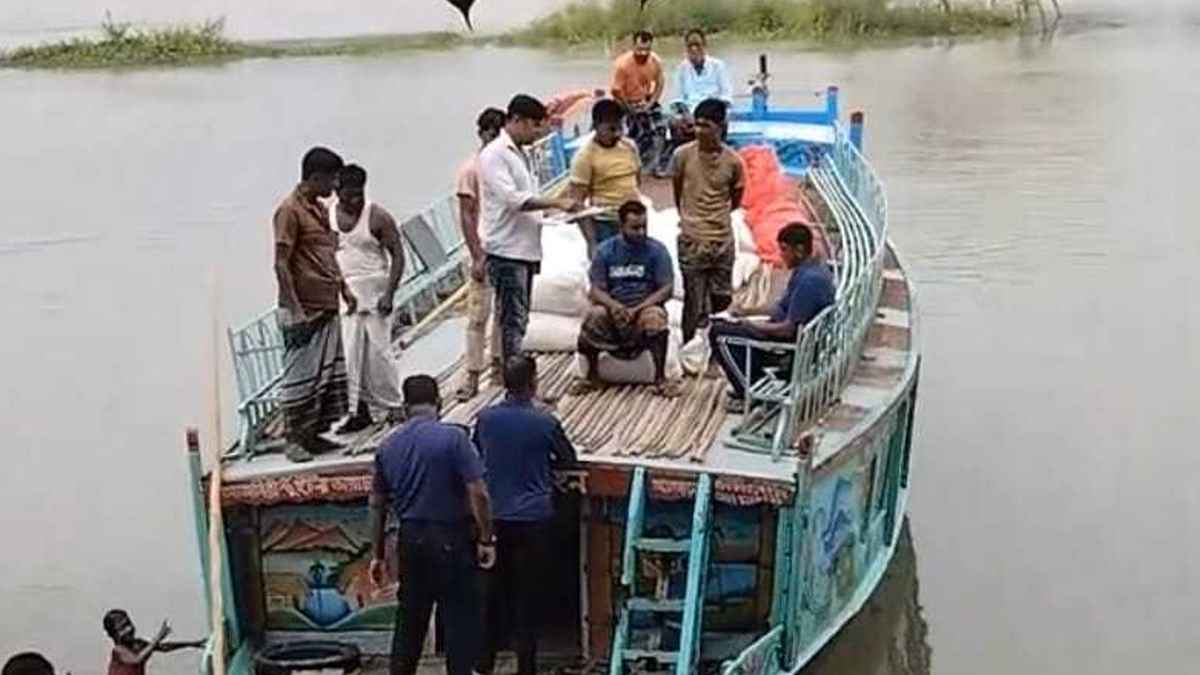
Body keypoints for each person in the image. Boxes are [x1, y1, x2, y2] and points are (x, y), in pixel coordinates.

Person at [368, 375, 496, 675]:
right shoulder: (454, 439)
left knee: (410, 620)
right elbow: (478, 492)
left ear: (404, 407)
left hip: (410, 540)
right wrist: (486, 539)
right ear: (438, 403)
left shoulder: (387, 446)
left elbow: (376, 505)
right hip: (451, 538)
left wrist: (377, 555)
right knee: (458, 618)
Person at [474, 355, 577, 675]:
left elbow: (476, 457)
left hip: (495, 521)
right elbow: (568, 460)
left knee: (492, 595)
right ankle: (526, 667)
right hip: (534, 520)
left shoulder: (485, 419)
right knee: (527, 599)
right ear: (533, 383)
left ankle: (484, 665)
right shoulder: (545, 422)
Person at [479, 94, 580, 367]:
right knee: (513, 319)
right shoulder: (494, 155)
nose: (538, 133)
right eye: (534, 125)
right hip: (507, 250)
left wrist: (553, 213)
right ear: (517, 120)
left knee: (520, 318)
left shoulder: (520, 153)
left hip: (526, 247)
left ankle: (514, 373)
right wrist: (557, 202)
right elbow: (514, 199)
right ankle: (513, 377)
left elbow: (528, 199)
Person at [273, 146, 357, 462]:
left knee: (328, 374)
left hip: (326, 303)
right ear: (315, 177)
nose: (335, 186)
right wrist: (295, 309)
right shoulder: (289, 211)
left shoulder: (320, 211)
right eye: (332, 179)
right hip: (303, 307)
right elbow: (281, 263)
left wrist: (344, 289)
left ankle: (314, 434)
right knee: (300, 377)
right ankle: (293, 439)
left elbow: (328, 255)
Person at [709, 224, 834, 406]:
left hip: (787, 346)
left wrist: (750, 325)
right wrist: (746, 313)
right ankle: (753, 379)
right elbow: (781, 309)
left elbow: (787, 330)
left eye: (784, 250)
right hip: (788, 335)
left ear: (799, 250)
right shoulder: (810, 270)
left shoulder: (809, 282)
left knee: (719, 334)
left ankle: (748, 391)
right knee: (731, 325)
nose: (781, 255)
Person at [573, 201, 678, 397]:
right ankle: (592, 376)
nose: (641, 232)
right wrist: (614, 306)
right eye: (635, 228)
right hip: (613, 310)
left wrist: (638, 308)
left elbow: (666, 288)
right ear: (621, 226)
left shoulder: (657, 251)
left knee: (655, 317)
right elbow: (595, 290)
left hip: (644, 308)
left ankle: (660, 378)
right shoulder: (605, 251)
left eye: (644, 227)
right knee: (594, 316)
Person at [330, 164, 405, 433]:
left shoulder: (378, 217)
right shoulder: (329, 218)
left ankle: (394, 404)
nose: (355, 201)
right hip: (347, 295)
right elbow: (328, 256)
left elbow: (398, 256)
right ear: (337, 191)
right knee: (350, 355)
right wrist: (340, 288)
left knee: (379, 353)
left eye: (359, 195)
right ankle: (357, 410)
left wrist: (390, 293)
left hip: (375, 292)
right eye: (349, 196)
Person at [670, 98, 745, 345]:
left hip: (722, 240)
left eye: (706, 125)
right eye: (697, 124)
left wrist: (717, 217)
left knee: (721, 298)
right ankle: (690, 347)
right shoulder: (682, 156)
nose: (699, 131)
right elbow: (678, 190)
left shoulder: (734, 162)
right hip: (692, 240)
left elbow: (735, 198)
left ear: (721, 127)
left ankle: (716, 347)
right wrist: (690, 218)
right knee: (694, 300)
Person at [455, 108, 509, 401]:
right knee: (478, 316)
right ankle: (473, 374)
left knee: (504, 312)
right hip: (484, 250)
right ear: (483, 133)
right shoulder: (471, 169)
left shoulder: (506, 165)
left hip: (506, 249)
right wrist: (477, 254)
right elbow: (466, 214)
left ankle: (499, 369)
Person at [567, 99, 642, 258]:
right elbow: (577, 204)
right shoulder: (584, 157)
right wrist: (592, 243)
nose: (617, 134)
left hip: (635, 222)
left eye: (620, 127)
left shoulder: (629, 147)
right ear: (596, 126)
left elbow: (637, 180)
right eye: (612, 129)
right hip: (606, 225)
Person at [609, 30, 668, 171]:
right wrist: (630, 109)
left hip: (645, 99)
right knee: (632, 131)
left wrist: (651, 102)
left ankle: (656, 162)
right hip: (625, 101)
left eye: (647, 50)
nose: (643, 53)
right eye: (640, 49)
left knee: (661, 127)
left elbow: (660, 83)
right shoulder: (623, 65)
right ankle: (627, 164)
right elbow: (616, 92)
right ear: (633, 47)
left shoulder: (655, 61)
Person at [668, 29, 734, 150]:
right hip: (689, 113)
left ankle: (716, 153)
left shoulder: (718, 66)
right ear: (686, 48)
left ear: (704, 46)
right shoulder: (681, 68)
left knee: (723, 120)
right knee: (673, 122)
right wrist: (686, 115)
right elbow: (677, 99)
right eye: (690, 46)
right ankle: (682, 155)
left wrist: (708, 115)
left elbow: (726, 96)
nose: (694, 49)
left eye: (697, 45)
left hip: (712, 112)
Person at [102, 610, 204, 675]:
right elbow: (136, 659)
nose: (128, 629)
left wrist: (192, 644)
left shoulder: (139, 644)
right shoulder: (119, 650)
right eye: (122, 628)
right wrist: (158, 637)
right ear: (113, 634)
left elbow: (164, 647)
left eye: (128, 624)